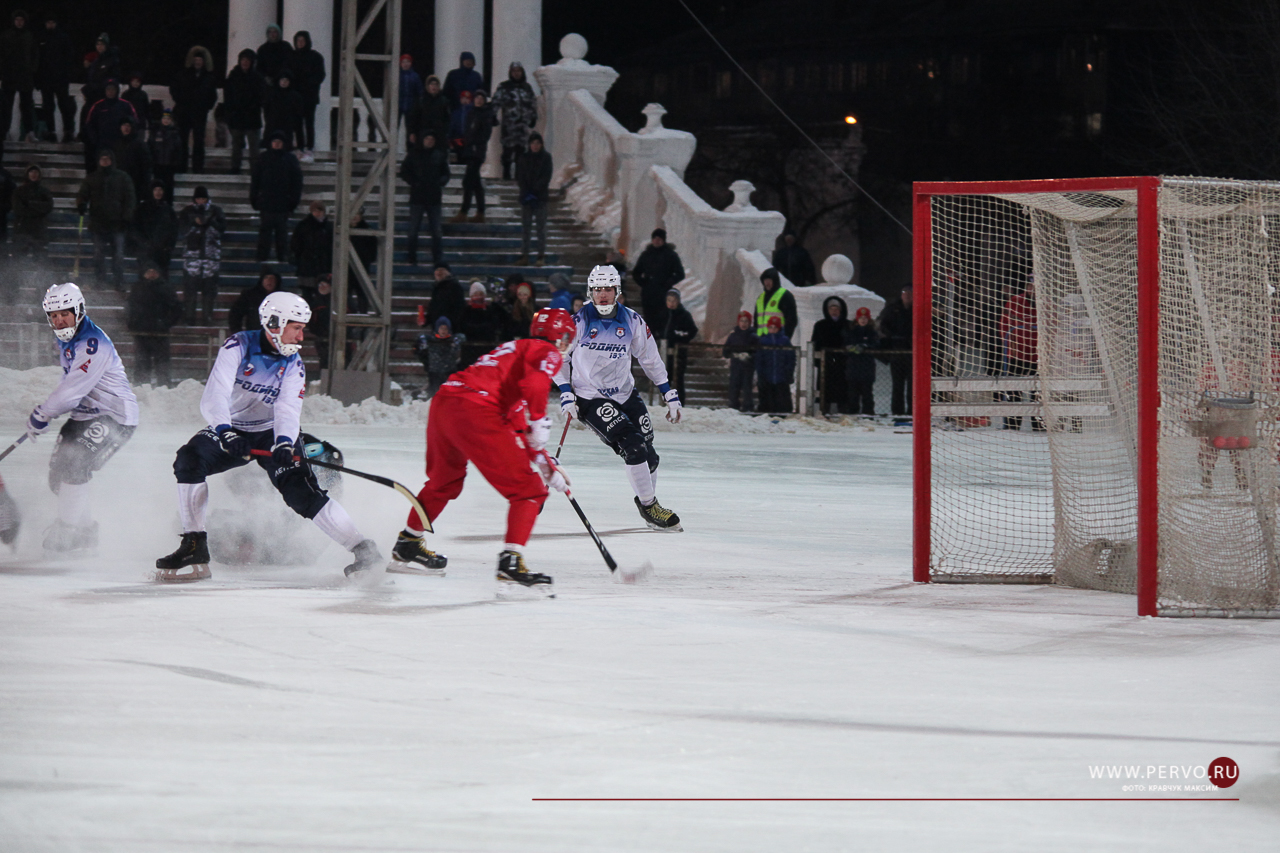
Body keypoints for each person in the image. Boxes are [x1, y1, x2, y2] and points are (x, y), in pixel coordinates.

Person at [155, 292, 382, 582]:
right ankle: (194, 545)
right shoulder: (238, 346)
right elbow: (215, 395)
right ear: (275, 323)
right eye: (296, 328)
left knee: (301, 492)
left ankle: (363, 551)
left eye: (302, 329)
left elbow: (288, 410)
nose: (301, 336)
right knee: (189, 460)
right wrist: (224, 431)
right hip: (231, 427)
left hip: (270, 431)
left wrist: (285, 442)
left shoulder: (294, 364)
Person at [386, 308, 576, 587]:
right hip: (476, 409)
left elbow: (516, 426)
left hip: (446, 402)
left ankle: (408, 543)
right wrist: (540, 420)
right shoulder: (547, 351)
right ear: (562, 337)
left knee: (443, 482)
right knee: (529, 492)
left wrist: (546, 465)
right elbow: (536, 385)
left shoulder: (515, 350)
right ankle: (511, 562)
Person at [556, 265, 684, 531]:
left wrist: (668, 392)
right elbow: (559, 358)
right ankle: (650, 506)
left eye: (608, 289)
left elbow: (650, 358)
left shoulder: (632, 321)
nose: (603, 295)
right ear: (590, 292)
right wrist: (567, 393)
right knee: (633, 445)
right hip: (591, 397)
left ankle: (649, 508)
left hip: (625, 393)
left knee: (650, 455)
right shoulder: (577, 322)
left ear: (617, 291)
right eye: (598, 289)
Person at [26, 283, 138, 552]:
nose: (59, 320)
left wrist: (43, 414)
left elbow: (72, 390)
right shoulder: (67, 338)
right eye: (53, 315)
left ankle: (69, 530)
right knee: (59, 478)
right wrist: (48, 412)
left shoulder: (92, 343)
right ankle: (85, 530)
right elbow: (70, 384)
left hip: (114, 416)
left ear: (79, 311)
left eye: (64, 313)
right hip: (84, 416)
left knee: (75, 466)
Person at [76, 149, 135, 290]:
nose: (105, 162)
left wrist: (126, 217)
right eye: (102, 159)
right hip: (98, 223)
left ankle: (119, 281)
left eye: (107, 159)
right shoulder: (92, 178)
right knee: (98, 254)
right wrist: (81, 204)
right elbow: (82, 194)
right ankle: (100, 280)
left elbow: (130, 198)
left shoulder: (122, 177)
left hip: (118, 223)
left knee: (118, 255)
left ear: (112, 161)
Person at [126, 259, 183, 386]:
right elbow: (130, 308)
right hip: (141, 331)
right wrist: (132, 323)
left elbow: (176, 309)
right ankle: (140, 386)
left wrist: (166, 323)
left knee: (162, 362)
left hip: (160, 332)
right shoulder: (137, 288)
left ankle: (164, 386)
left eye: (154, 272)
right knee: (142, 361)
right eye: (149, 272)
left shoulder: (166, 288)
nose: (151, 274)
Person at [250, 131, 302, 262]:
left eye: (279, 142)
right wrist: (254, 198)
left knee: (282, 233)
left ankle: (282, 256)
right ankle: (262, 256)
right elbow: (255, 180)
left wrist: (293, 201)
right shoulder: (263, 158)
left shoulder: (290, 159)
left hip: (283, 203)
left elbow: (297, 182)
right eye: (274, 142)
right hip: (266, 202)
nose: (277, 144)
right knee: (265, 233)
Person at [999, 276, 1043, 431]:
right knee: (1013, 388)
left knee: (1038, 391)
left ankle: (1039, 424)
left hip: (1038, 354)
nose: (1033, 290)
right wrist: (1009, 344)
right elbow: (1004, 325)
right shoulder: (1015, 301)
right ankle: (1012, 424)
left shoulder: (1046, 303)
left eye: (1035, 286)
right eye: (1030, 286)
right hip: (1017, 353)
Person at [399, 131, 449, 266]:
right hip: (418, 196)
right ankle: (412, 257)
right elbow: (404, 171)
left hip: (433, 197)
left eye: (432, 139)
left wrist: (439, 182)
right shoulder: (414, 154)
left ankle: (437, 258)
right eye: (427, 138)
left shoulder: (439, 155)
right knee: (413, 229)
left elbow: (446, 173)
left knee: (436, 231)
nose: (429, 141)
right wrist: (414, 182)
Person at [177, 185, 225, 324]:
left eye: (203, 198)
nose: (201, 201)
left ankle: (207, 317)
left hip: (211, 257)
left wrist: (210, 222)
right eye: (198, 199)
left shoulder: (216, 211)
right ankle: (189, 316)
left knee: (209, 290)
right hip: (192, 257)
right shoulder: (187, 211)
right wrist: (194, 223)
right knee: (190, 289)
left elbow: (222, 229)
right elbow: (182, 230)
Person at [170, 46, 217, 174]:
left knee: (199, 141)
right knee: (182, 140)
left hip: (200, 113)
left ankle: (198, 168)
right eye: (195, 60)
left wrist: (206, 106)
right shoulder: (183, 74)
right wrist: (181, 101)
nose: (197, 62)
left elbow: (212, 95)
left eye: (200, 60)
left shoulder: (209, 77)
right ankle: (181, 166)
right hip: (184, 112)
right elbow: (174, 89)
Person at [452, 89, 494, 224]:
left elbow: (485, 135)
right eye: (477, 98)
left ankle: (464, 211)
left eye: (481, 98)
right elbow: (467, 131)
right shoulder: (471, 113)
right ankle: (480, 212)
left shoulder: (486, 115)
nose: (479, 100)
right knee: (475, 183)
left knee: (468, 181)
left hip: (477, 152)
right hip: (470, 151)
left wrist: (474, 144)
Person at [632, 229, 685, 328]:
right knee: (648, 317)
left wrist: (668, 282)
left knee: (662, 318)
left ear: (663, 240)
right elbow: (636, 272)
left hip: (663, 292)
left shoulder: (671, 255)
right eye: (655, 239)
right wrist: (643, 283)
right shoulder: (646, 254)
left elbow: (680, 274)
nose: (657, 241)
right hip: (648, 292)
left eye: (659, 239)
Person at [35, 13, 76, 142]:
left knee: (64, 106)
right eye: (48, 23)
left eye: (52, 22)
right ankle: (50, 131)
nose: (50, 25)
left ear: (56, 24)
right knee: (48, 107)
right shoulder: (41, 38)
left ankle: (68, 131)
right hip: (46, 80)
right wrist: (38, 79)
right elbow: (37, 60)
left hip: (61, 79)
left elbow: (69, 58)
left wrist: (67, 75)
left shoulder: (63, 38)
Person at [493, 61, 537, 180]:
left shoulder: (527, 87)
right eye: (514, 71)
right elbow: (496, 102)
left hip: (523, 126)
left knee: (521, 151)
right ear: (510, 73)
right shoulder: (504, 86)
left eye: (519, 71)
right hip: (509, 125)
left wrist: (533, 117)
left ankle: (519, 175)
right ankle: (506, 174)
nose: (516, 73)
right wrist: (492, 116)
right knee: (507, 150)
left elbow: (532, 103)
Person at [286, 31, 325, 162]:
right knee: (296, 123)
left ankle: (309, 147)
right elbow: (287, 74)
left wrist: (308, 84)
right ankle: (300, 147)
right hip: (296, 96)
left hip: (310, 96)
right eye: (298, 41)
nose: (300, 43)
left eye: (302, 40)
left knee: (309, 122)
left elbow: (320, 75)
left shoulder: (315, 57)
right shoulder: (291, 57)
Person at [83, 80, 138, 171]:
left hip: (121, 144)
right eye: (108, 89)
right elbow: (89, 124)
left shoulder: (125, 105)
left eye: (113, 89)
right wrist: (95, 140)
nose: (110, 92)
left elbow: (134, 122)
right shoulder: (98, 106)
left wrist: (127, 139)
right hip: (102, 144)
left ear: (117, 91)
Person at [224, 48, 263, 175]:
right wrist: (230, 113)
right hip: (237, 117)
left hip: (252, 117)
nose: (245, 62)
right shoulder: (233, 76)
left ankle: (255, 170)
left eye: (247, 60)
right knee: (236, 145)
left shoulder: (257, 78)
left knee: (254, 147)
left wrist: (253, 107)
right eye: (243, 60)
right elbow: (228, 96)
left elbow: (261, 97)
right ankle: (235, 167)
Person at [0, 10, 36, 142]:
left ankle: (29, 132)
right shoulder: (6, 35)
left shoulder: (29, 36)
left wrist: (31, 69)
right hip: (9, 76)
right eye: (17, 20)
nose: (19, 22)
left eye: (21, 20)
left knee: (27, 106)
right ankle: (4, 131)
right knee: (6, 106)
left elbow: (35, 54)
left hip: (25, 76)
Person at [878, 284, 913, 417]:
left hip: (912, 352)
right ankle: (897, 412)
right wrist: (893, 337)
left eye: (910, 292)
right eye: (905, 292)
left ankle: (912, 411)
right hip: (896, 351)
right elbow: (884, 326)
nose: (908, 295)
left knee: (913, 385)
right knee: (897, 384)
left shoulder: (918, 309)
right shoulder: (892, 309)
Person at [516, 131, 551, 265]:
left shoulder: (546, 158)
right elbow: (520, 176)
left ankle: (540, 256)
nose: (535, 146)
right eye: (533, 143)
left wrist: (535, 190)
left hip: (540, 198)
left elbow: (546, 176)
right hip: (526, 197)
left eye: (537, 143)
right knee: (526, 228)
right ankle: (524, 255)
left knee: (540, 228)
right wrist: (526, 191)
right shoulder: (524, 158)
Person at [811, 295, 850, 414]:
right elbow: (815, 343)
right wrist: (817, 361)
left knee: (843, 388)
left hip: (843, 363)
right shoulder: (820, 325)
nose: (834, 311)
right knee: (825, 388)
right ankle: (824, 411)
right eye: (831, 309)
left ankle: (843, 412)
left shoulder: (848, 325)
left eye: (836, 309)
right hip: (826, 363)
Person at [658, 288, 698, 402]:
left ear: (678, 301)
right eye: (669, 300)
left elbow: (692, 331)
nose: (671, 303)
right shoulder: (663, 314)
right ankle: (664, 401)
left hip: (678, 352)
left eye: (674, 301)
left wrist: (681, 337)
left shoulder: (684, 315)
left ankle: (679, 401)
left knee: (678, 378)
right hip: (664, 351)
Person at [457, 280, 506, 366]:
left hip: (487, 348)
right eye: (476, 294)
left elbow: (494, 325)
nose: (479, 297)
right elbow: (463, 327)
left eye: (481, 294)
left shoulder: (490, 309)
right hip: (470, 349)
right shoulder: (466, 310)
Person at [133, 179, 178, 272]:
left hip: (163, 251)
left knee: (162, 275)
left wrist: (169, 246)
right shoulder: (141, 209)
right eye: (155, 190)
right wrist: (143, 243)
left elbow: (174, 230)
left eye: (160, 190)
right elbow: (135, 228)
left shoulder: (168, 209)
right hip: (145, 251)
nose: (158, 192)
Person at [290, 200, 332, 300]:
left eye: (319, 210)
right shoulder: (303, 226)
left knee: (322, 297)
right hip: (307, 266)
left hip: (322, 266)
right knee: (307, 294)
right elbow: (296, 244)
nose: (317, 213)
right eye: (315, 210)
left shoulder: (329, 227)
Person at [415, 316, 465, 398]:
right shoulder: (431, 340)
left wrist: (456, 343)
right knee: (434, 392)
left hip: (449, 371)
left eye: (446, 328)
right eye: (441, 328)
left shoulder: (452, 340)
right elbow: (421, 341)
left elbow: (462, 337)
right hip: (434, 371)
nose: (443, 331)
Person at [844, 306, 880, 416]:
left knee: (867, 392)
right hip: (853, 366)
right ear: (857, 319)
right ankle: (853, 413)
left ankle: (868, 413)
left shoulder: (872, 332)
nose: (863, 320)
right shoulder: (851, 332)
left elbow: (876, 345)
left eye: (865, 318)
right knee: (853, 393)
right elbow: (845, 345)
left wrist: (865, 347)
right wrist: (852, 348)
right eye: (861, 318)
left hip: (867, 367)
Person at [756, 316, 796, 413]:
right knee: (768, 399)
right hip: (767, 375)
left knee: (781, 399)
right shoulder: (763, 341)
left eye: (775, 327)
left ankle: (783, 413)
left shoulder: (785, 341)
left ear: (779, 328)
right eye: (771, 327)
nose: (773, 329)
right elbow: (759, 358)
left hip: (781, 375)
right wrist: (761, 373)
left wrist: (788, 370)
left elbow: (791, 357)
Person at [11, 163, 51, 258]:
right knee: (19, 256)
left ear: (39, 174)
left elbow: (48, 207)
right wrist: (37, 209)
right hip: (22, 227)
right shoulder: (19, 191)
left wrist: (29, 204)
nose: (34, 174)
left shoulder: (44, 191)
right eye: (31, 172)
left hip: (39, 228)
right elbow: (18, 208)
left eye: (36, 172)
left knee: (40, 256)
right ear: (27, 174)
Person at [228, 265, 283, 334]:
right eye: (266, 278)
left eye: (272, 278)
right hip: (254, 334)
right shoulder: (249, 295)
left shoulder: (283, 296)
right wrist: (238, 333)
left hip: (278, 335)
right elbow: (235, 314)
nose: (269, 281)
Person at [722, 310, 757, 411]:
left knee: (747, 387)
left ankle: (748, 406)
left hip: (748, 366)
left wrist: (749, 355)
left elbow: (758, 351)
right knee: (734, 386)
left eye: (746, 321)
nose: (743, 323)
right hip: (735, 365)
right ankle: (733, 405)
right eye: (742, 321)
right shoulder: (733, 336)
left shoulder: (753, 337)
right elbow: (725, 351)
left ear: (749, 323)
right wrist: (733, 354)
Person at [262, 71, 304, 149]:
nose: (284, 82)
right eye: (282, 80)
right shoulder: (271, 94)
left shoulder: (295, 96)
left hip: (287, 125)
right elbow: (266, 109)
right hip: (273, 124)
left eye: (286, 80)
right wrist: (269, 119)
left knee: (286, 146)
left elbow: (298, 113)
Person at [112, 118, 151, 203]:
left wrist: (145, 185)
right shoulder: (115, 143)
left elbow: (146, 166)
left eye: (128, 126)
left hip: (135, 182)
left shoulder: (140, 144)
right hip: (119, 182)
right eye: (124, 125)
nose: (126, 128)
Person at [754, 266, 798, 338]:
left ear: (775, 281)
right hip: (760, 340)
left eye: (769, 280)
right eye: (765, 280)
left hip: (777, 339)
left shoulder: (785, 295)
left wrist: (784, 338)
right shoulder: (760, 298)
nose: (767, 283)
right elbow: (756, 321)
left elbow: (791, 320)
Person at [406, 75, 449, 147]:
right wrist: (412, 132)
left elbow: (447, 118)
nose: (434, 87)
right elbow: (413, 118)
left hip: (438, 134)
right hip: (422, 133)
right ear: (427, 86)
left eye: (436, 84)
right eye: (431, 84)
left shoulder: (444, 101)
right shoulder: (421, 101)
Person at [148, 108, 181, 201]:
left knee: (169, 186)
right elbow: (150, 147)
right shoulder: (155, 132)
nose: (166, 121)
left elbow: (178, 150)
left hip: (169, 165)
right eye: (164, 118)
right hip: (157, 164)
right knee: (157, 186)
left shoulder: (175, 133)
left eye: (168, 119)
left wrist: (175, 163)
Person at [426, 263, 465, 329]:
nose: (439, 272)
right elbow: (433, 307)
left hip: (450, 327)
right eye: (437, 270)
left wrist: (451, 322)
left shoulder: (454, 287)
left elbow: (459, 307)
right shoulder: (436, 288)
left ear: (448, 273)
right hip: (438, 327)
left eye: (441, 270)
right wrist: (426, 320)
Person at [397, 53, 422, 128]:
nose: (406, 64)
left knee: (410, 127)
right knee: (394, 126)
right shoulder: (397, 75)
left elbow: (419, 90)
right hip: (398, 104)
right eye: (403, 62)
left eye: (408, 62)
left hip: (411, 106)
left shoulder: (415, 76)